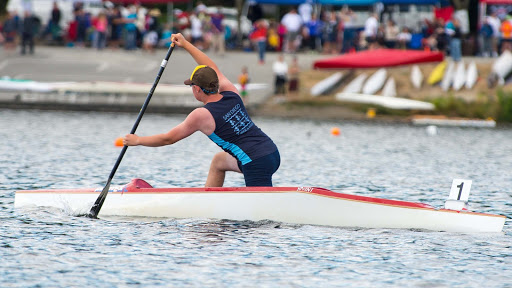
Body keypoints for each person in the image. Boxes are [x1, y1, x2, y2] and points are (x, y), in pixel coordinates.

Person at [123, 33, 280, 187]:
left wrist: (138, 140)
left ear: (197, 89)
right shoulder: (231, 92)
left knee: (261, 211)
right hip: (272, 152)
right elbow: (212, 67)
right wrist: (185, 44)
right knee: (219, 162)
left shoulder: (201, 115)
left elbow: (168, 139)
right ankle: (208, 204)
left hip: (255, 161)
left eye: (191, 86)